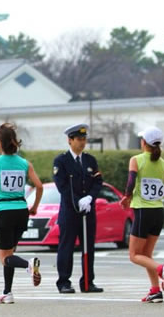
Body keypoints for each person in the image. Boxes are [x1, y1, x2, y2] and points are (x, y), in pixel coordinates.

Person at [119, 126, 164, 303]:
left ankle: (162, 269)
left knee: (134, 255)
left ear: (143, 142)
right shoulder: (163, 164)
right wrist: (162, 194)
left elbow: (131, 182)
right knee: (146, 254)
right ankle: (155, 291)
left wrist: (126, 197)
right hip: (158, 213)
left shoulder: (136, 160)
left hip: (143, 212)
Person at [0, 123, 43, 304]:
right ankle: (7, 292)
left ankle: (28, 265)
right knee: (10, 253)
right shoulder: (24, 163)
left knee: (5, 258)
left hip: (4, 211)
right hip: (21, 210)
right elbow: (39, 186)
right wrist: (34, 207)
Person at [52, 124, 103, 294]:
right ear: (70, 140)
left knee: (88, 246)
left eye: (84, 139)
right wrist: (77, 201)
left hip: (88, 211)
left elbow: (97, 181)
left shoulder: (90, 160)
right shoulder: (61, 161)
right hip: (69, 211)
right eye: (79, 139)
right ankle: (64, 281)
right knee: (66, 247)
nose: (82, 143)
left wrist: (90, 197)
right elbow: (63, 186)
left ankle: (88, 281)